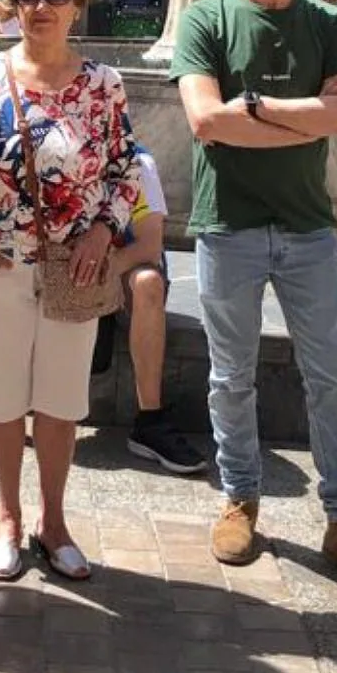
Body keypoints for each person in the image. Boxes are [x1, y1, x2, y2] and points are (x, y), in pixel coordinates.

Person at [169, 0, 337, 595]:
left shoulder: (326, 22)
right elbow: (206, 122)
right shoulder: (206, 19)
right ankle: (240, 498)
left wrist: (258, 107)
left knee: (329, 379)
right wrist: (306, 114)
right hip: (228, 226)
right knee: (229, 377)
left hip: (307, 229)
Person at [0, 0, 139, 584]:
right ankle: (5, 516)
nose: (41, 7)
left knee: (58, 398)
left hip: (72, 269)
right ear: (11, 1)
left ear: (77, 3)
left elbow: (126, 168)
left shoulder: (103, 85)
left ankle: (53, 522)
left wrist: (102, 233)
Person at [109, 145, 208, 473]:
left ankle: (150, 420)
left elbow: (148, 246)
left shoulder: (137, 163)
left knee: (149, 282)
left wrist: (96, 274)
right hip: (69, 269)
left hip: (121, 267)